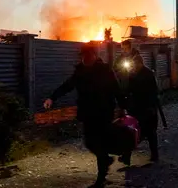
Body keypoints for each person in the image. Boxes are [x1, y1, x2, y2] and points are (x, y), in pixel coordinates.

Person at [43, 44, 125, 187]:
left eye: (88, 55)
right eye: (83, 56)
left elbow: (116, 88)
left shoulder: (105, 70)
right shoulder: (79, 72)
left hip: (103, 112)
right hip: (87, 113)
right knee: (90, 142)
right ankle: (105, 160)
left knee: (100, 142)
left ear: (94, 55)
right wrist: (52, 98)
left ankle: (101, 178)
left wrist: (123, 107)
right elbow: (67, 86)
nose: (86, 59)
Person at [119, 54, 160, 165]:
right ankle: (126, 157)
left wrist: (151, 107)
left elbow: (154, 92)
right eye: (134, 64)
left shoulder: (148, 74)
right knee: (131, 132)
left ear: (141, 63)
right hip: (136, 108)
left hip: (146, 108)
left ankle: (154, 155)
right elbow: (128, 90)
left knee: (150, 132)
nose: (135, 65)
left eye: (137, 63)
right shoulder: (133, 74)